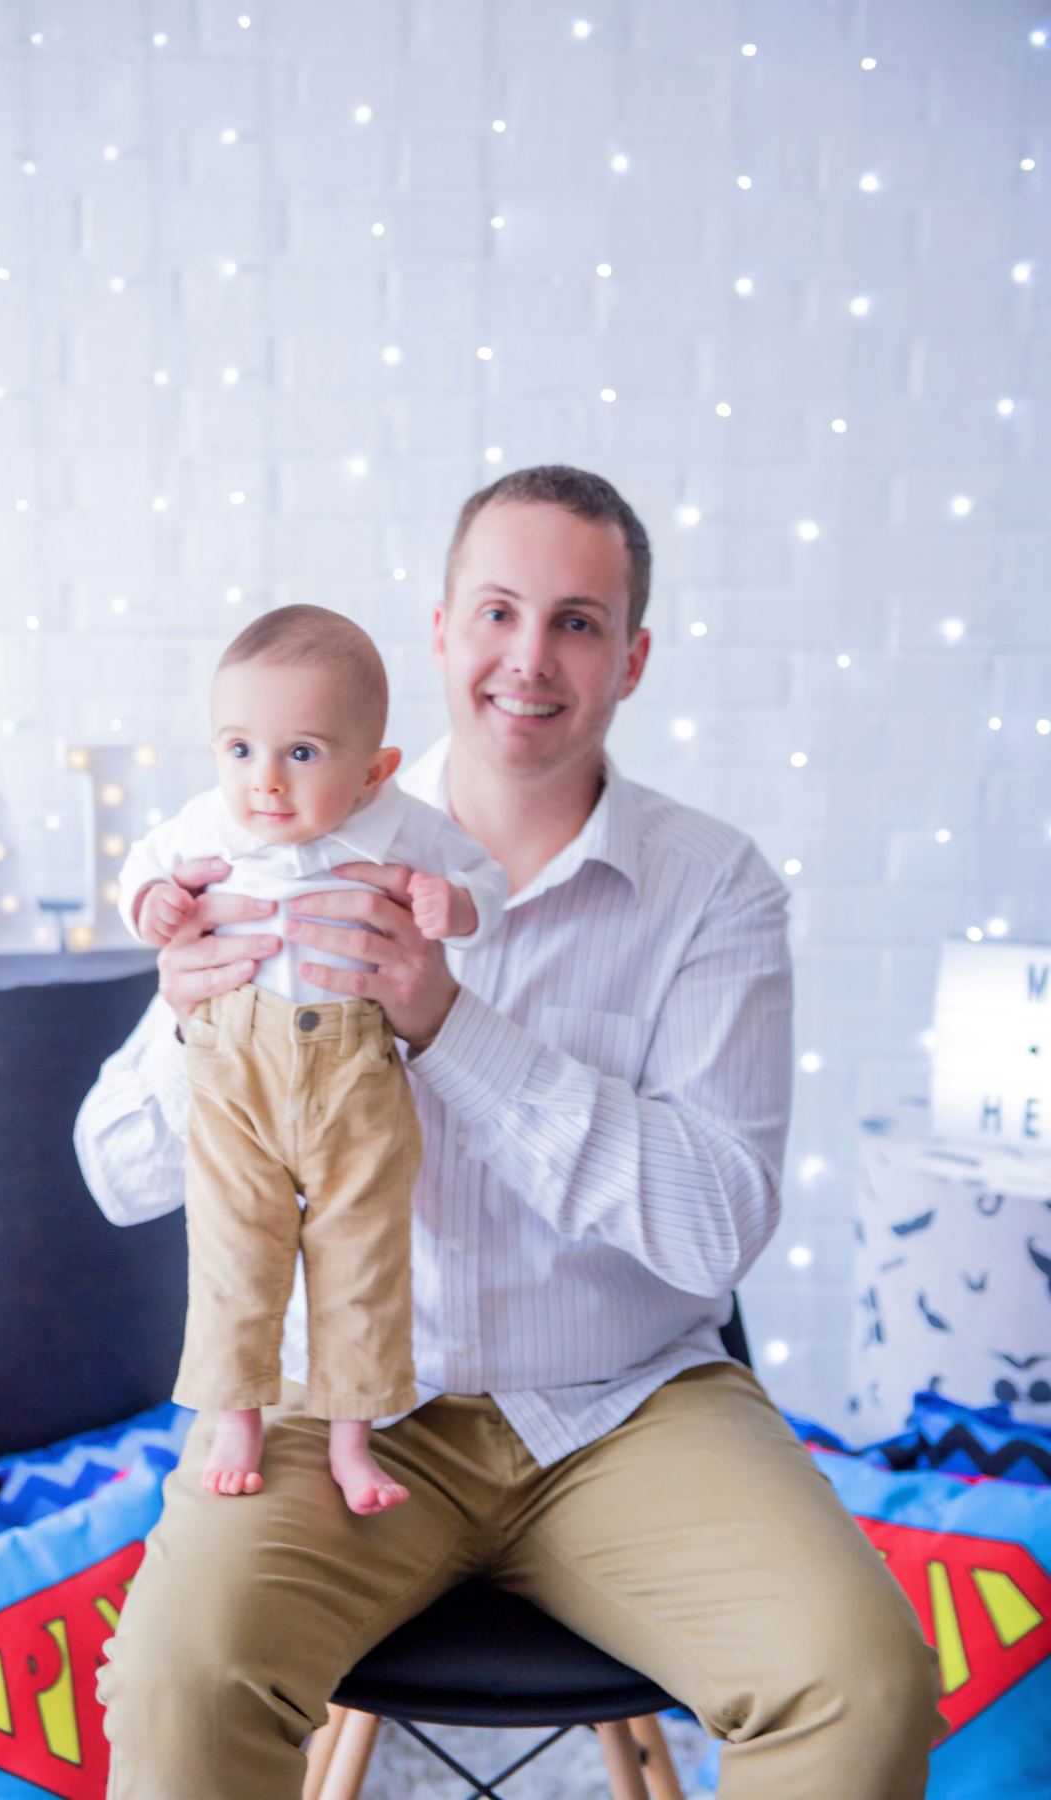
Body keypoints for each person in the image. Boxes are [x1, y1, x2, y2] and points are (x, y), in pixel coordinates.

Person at [79, 466, 944, 1798]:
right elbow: (115, 1177)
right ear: (439, 631)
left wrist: (452, 1027)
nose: (527, 659)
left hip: (627, 1409)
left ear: (632, 658)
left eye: (578, 622)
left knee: (863, 1682)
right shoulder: (272, 845)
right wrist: (191, 1017)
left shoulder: (714, 888)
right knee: (179, 1684)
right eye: (496, 612)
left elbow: (717, 1227)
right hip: (332, 1415)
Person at [117, 605, 507, 1511]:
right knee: (232, 1249)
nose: (265, 783)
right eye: (239, 748)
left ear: (374, 771)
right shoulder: (210, 825)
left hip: (357, 1075)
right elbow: (142, 866)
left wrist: (453, 902)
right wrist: (155, 907)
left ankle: (351, 1441)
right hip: (234, 1067)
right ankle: (240, 1415)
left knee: (362, 1258)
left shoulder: (404, 829)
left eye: (302, 754)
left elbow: (485, 877)